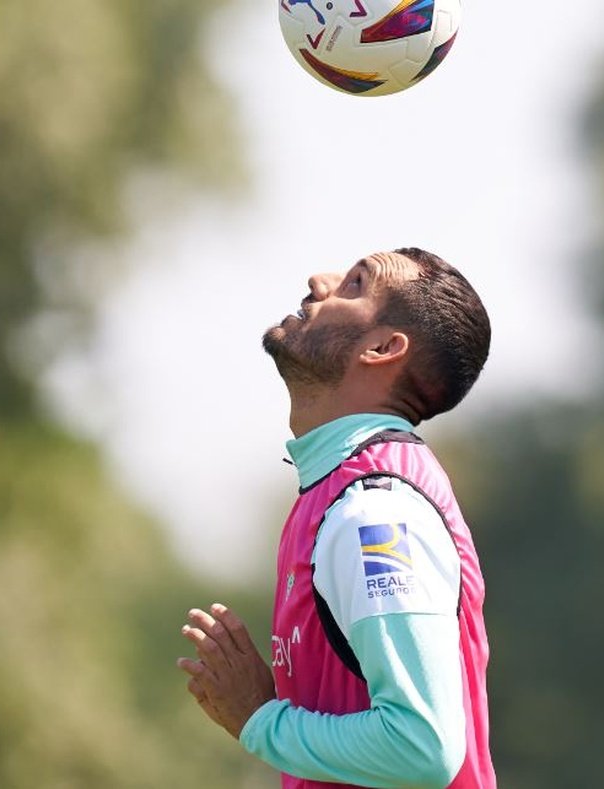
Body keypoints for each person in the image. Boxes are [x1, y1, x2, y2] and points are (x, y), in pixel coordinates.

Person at [178, 247, 495, 788]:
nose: (318, 281)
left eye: (354, 284)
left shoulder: (376, 513)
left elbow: (423, 747)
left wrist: (260, 721)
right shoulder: (339, 490)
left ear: (383, 348)